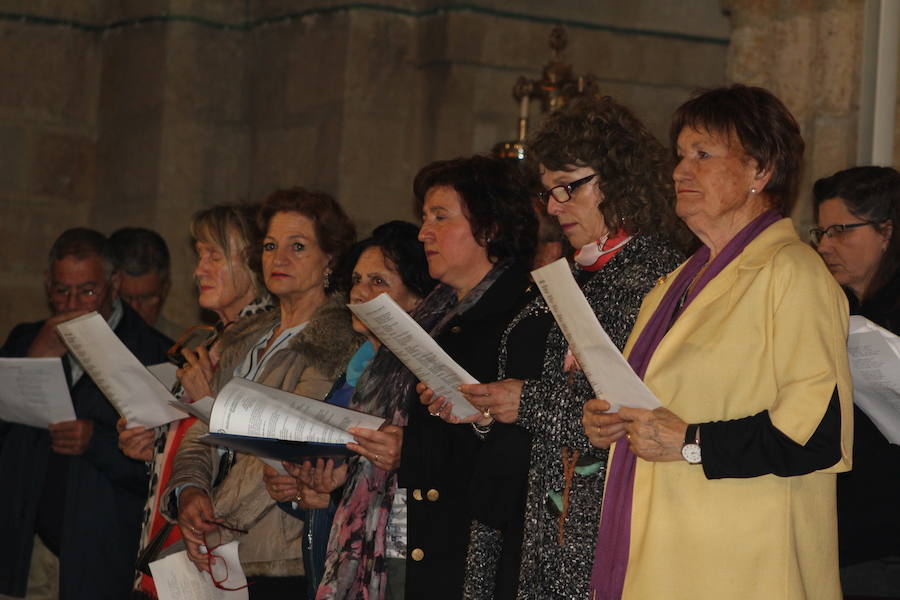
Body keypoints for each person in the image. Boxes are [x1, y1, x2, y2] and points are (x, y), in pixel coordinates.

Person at [583, 84, 853, 600]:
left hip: (744, 566)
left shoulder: (793, 272)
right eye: (680, 155)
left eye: (703, 155)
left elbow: (816, 436)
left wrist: (691, 440)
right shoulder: (676, 281)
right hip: (667, 551)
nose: (681, 171)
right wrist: (614, 419)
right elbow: (664, 409)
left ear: (761, 171)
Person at [430, 96, 686, 600]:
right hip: (512, 513)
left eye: (568, 187)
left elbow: (635, 410)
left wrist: (524, 403)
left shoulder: (655, 275)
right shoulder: (565, 273)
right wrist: (482, 412)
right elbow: (529, 382)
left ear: (618, 178)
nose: (552, 206)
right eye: (548, 192)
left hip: (577, 523)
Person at [161, 188, 361, 598]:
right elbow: (200, 436)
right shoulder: (247, 333)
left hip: (276, 549)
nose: (279, 258)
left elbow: (289, 445)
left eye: (298, 246)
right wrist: (190, 491)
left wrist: (215, 518)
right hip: (220, 540)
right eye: (270, 246)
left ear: (331, 259)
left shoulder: (338, 336)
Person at [388, 154, 548, 600]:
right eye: (424, 218)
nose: (424, 233)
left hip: (477, 545)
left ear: (490, 227)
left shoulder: (524, 313)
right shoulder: (435, 313)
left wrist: (415, 446)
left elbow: (525, 446)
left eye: (441, 217)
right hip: (421, 533)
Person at [263, 221, 436, 599]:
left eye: (378, 282)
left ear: (418, 297)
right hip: (336, 546)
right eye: (358, 279)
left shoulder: (419, 373)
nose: (359, 291)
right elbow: (345, 476)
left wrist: (333, 493)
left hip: (396, 552)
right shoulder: (356, 368)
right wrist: (302, 486)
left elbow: (403, 477)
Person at [0, 228, 171, 600]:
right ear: (47, 284)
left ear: (114, 283)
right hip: (25, 549)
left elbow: (161, 473)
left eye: (87, 290)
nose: (72, 302)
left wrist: (97, 442)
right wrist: (36, 357)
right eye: (61, 290)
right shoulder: (26, 338)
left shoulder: (152, 352)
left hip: (101, 555)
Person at [116, 205, 272, 598]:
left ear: (252, 262)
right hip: (178, 537)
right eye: (199, 255)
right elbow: (196, 441)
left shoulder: (267, 341)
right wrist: (153, 442)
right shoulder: (217, 339)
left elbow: (256, 447)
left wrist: (207, 399)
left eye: (213, 256)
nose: (198, 270)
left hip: (220, 545)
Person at [811, 166, 900, 597]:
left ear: (886, 232)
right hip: (845, 526)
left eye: (841, 231)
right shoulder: (836, 305)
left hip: (886, 537)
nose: (826, 245)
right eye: (822, 232)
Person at [110, 227, 183, 339]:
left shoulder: (188, 349)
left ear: (165, 290)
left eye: (146, 298)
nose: (134, 310)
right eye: (124, 298)